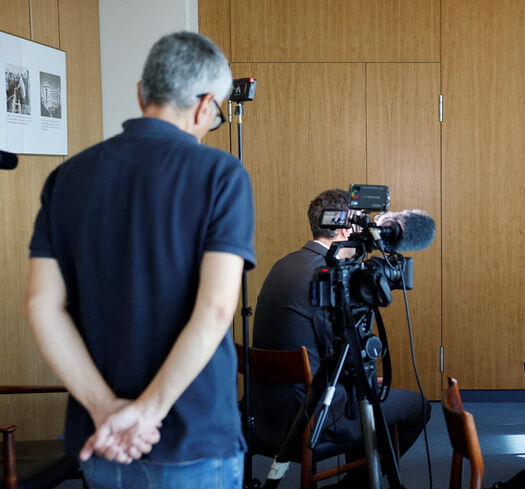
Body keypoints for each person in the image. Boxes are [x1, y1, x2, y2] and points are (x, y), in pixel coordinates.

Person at [25, 32, 254, 488]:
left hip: (102, 438)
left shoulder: (66, 178)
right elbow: (214, 309)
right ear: (205, 103)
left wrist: (106, 410)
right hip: (194, 436)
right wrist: (145, 413)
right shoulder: (221, 175)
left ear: (140, 93)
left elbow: (42, 306)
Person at [251, 188, 430, 488]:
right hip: (308, 416)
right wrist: (365, 379)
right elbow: (340, 352)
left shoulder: (284, 264)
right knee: (417, 406)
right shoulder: (325, 274)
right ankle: (356, 485)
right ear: (346, 227)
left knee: (368, 396)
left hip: (262, 413)